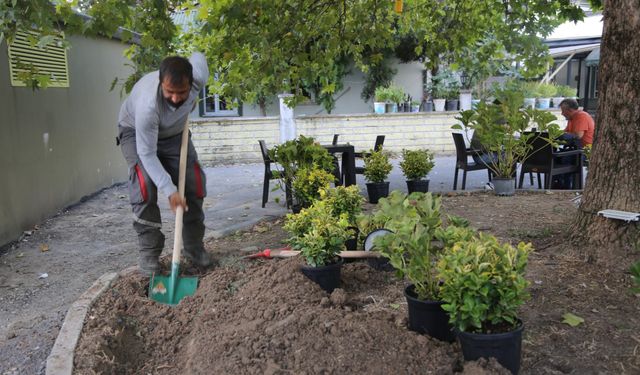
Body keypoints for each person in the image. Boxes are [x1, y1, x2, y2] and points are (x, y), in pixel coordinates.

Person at [117, 53, 213, 274]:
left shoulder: (198, 77)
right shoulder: (147, 106)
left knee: (193, 183)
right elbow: (147, 153)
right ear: (161, 84)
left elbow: (198, 55)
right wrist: (170, 191)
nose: (176, 98)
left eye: (182, 92)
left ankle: (193, 249)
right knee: (145, 188)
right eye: (170, 91)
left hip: (175, 134)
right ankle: (149, 256)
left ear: (191, 83)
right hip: (136, 133)